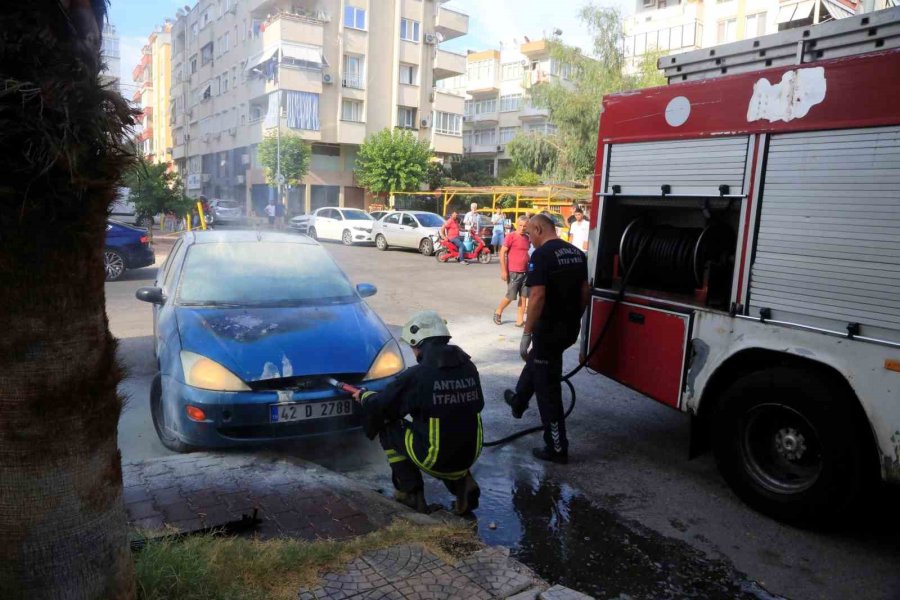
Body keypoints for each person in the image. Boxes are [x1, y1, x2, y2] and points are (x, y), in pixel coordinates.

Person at [355, 311, 483, 515]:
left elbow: (383, 406)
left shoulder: (419, 376)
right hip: (470, 452)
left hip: (437, 457)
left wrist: (365, 397)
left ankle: (410, 494)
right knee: (444, 429)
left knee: (388, 428)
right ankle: (463, 484)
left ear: (419, 342)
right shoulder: (468, 367)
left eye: (412, 346)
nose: (413, 352)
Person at [504, 214, 589, 464]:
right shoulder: (576, 253)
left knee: (547, 389)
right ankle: (519, 401)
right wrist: (575, 318)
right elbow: (585, 291)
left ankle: (557, 447)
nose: (529, 239)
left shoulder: (541, 256)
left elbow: (537, 297)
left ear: (540, 229)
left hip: (548, 329)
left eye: (530, 234)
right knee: (538, 360)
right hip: (567, 329)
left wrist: (527, 332)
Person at [494, 216, 530, 327]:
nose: (522, 228)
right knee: (510, 296)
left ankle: (519, 321)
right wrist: (504, 271)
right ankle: (498, 311)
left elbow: (526, 253)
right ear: (516, 225)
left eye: (525, 226)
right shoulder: (511, 236)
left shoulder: (527, 238)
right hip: (513, 272)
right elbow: (502, 252)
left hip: (526, 272)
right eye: (520, 225)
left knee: (524, 297)